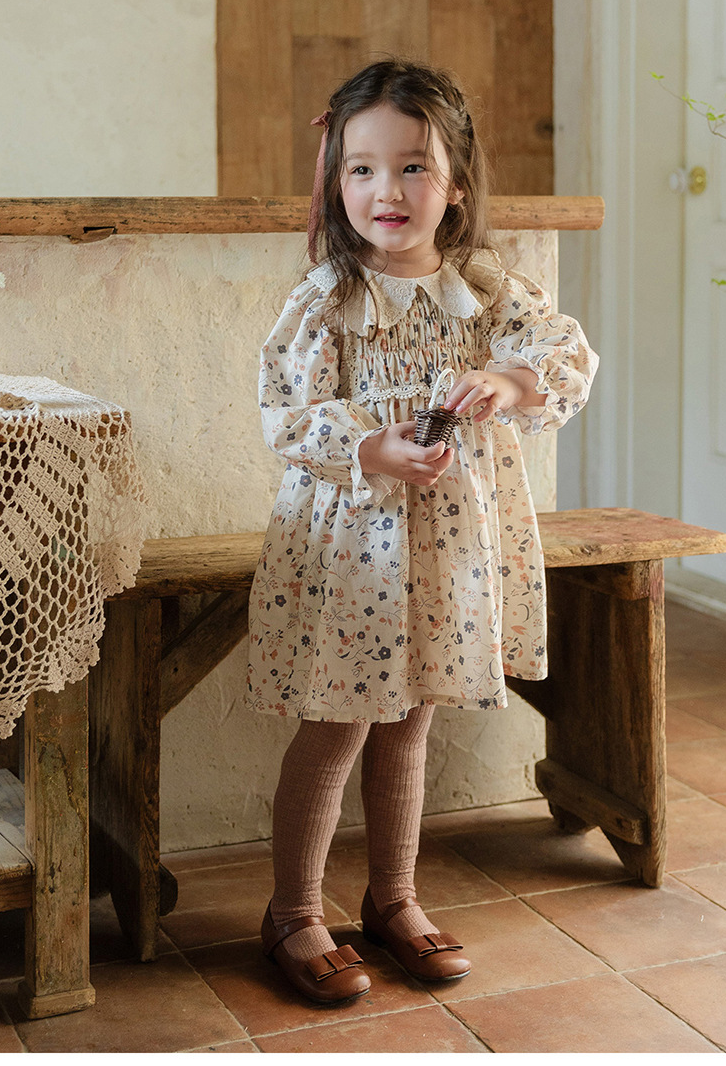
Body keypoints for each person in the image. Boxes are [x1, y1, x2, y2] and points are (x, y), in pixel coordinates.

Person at [246, 58, 599, 1004]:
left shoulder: (484, 287)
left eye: (412, 167)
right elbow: (287, 415)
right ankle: (293, 911)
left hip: (447, 551)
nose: (387, 191)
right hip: (353, 551)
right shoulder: (328, 297)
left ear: (457, 184)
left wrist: (508, 381)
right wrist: (373, 447)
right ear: (336, 179)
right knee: (338, 726)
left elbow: (562, 351)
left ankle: (393, 898)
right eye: (362, 168)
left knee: (411, 722)